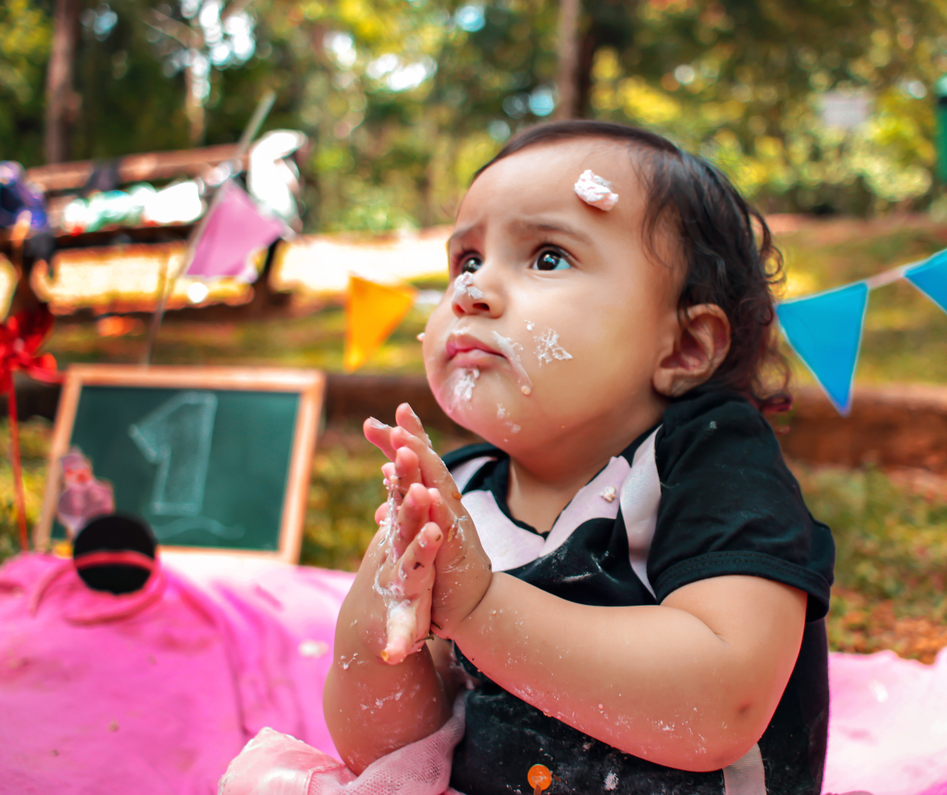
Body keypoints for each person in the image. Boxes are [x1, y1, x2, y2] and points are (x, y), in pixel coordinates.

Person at [323, 120, 835, 795]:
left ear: (684, 347)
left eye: (547, 257)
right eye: (467, 260)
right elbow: (392, 750)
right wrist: (379, 626)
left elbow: (722, 705)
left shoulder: (710, 462)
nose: (473, 291)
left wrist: (479, 607)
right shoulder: (463, 495)